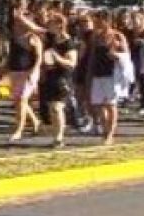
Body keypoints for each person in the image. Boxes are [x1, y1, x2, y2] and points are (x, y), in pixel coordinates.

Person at [87, 9, 128, 145]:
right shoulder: (95, 36)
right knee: (99, 105)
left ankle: (110, 134)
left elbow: (126, 55)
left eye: (99, 20)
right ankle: (105, 130)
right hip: (98, 74)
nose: (96, 23)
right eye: (95, 20)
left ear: (107, 21)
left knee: (110, 105)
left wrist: (117, 49)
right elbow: (92, 56)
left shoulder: (117, 36)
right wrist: (89, 73)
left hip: (112, 74)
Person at [8, 0, 43, 142]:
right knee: (18, 100)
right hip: (15, 70)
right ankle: (35, 121)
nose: (17, 24)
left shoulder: (33, 38)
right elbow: (11, 54)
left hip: (27, 71)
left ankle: (19, 130)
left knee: (22, 99)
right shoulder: (14, 37)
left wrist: (33, 71)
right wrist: (3, 68)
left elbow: (39, 57)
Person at [41, 13, 78, 148]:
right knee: (52, 108)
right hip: (51, 76)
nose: (48, 25)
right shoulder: (51, 39)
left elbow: (72, 63)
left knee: (57, 107)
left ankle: (59, 137)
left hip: (63, 78)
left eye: (51, 23)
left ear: (59, 25)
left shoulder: (69, 43)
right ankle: (55, 135)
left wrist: (57, 58)